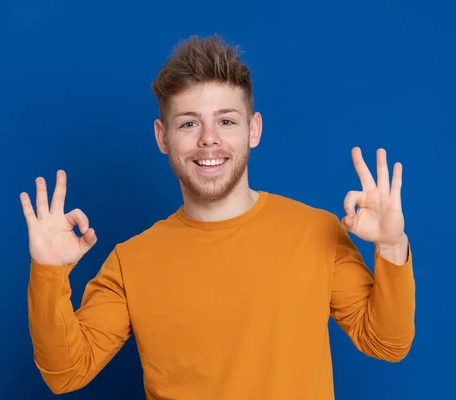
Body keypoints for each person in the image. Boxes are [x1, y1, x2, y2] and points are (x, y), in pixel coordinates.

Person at [20, 34, 415, 400]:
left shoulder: (317, 232)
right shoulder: (132, 261)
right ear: (162, 137)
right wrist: (48, 272)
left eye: (226, 121)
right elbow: (65, 372)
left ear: (253, 130)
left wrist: (392, 246)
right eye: (189, 123)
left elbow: (386, 342)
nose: (209, 138)